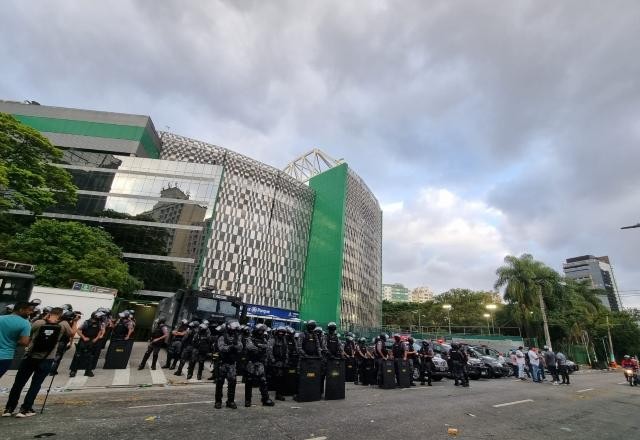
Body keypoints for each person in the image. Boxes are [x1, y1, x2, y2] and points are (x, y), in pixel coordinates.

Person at [3, 307, 75, 418]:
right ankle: (25, 409)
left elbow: (28, 335)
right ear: (61, 315)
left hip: (30, 357)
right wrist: (75, 321)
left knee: (18, 383)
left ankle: (9, 408)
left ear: (49, 313)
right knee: (36, 384)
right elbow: (72, 334)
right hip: (47, 358)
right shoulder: (64, 324)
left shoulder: (39, 322)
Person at [0, 302, 35, 378]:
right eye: (29, 310)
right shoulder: (25, 324)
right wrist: (13, 341)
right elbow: (24, 342)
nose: (31, 312)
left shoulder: (1, 318)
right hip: (5, 356)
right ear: (21, 310)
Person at [245, 324, 275, 407]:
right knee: (249, 381)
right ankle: (248, 400)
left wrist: (261, 347)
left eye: (262, 331)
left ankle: (265, 399)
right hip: (251, 362)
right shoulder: (250, 338)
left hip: (260, 362)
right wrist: (260, 347)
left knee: (263, 381)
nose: (261, 332)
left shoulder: (264, 339)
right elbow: (250, 347)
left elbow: (268, 347)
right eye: (259, 330)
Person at [69, 311, 106, 377]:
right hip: (84, 341)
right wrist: (84, 337)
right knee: (78, 356)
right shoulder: (87, 322)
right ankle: (73, 371)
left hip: (93, 341)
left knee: (91, 357)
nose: (101, 317)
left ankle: (88, 371)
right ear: (95, 316)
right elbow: (79, 330)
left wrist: (96, 338)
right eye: (100, 316)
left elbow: (100, 331)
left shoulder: (100, 323)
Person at [215, 321, 243, 409]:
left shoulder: (237, 337)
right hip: (222, 363)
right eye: (232, 328)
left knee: (232, 383)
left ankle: (230, 401)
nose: (234, 330)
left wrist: (235, 347)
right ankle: (218, 401)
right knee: (219, 382)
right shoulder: (222, 337)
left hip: (232, 364)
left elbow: (240, 347)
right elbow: (221, 348)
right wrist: (230, 347)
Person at [268, 327, 289, 401]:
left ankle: (279, 394)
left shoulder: (284, 340)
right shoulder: (273, 340)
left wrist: (286, 360)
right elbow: (269, 351)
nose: (281, 334)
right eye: (280, 332)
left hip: (282, 361)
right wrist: (273, 360)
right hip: (275, 362)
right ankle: (278, 394)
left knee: (281, 378)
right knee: (278, 378)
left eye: (282, 332)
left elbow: (286, 351)